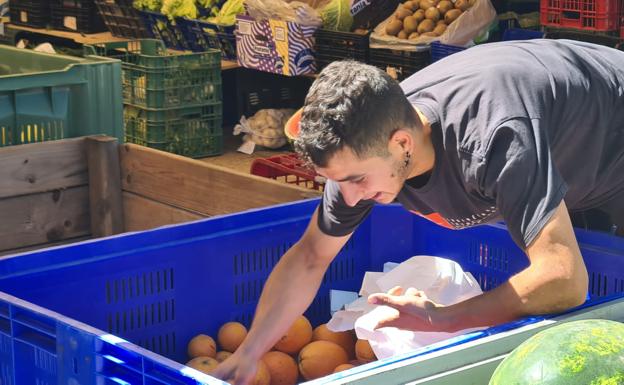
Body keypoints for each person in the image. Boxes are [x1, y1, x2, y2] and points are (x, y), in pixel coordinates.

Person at [214, 38, 624, 384]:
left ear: (403, 145)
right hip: (575, 156)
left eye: (357, 180)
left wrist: (442, 319)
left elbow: (565, 279)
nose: (351, 198)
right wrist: (250, 352)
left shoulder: (492, 140)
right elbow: (309, 258)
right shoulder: (364, 146)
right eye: (338, 181)